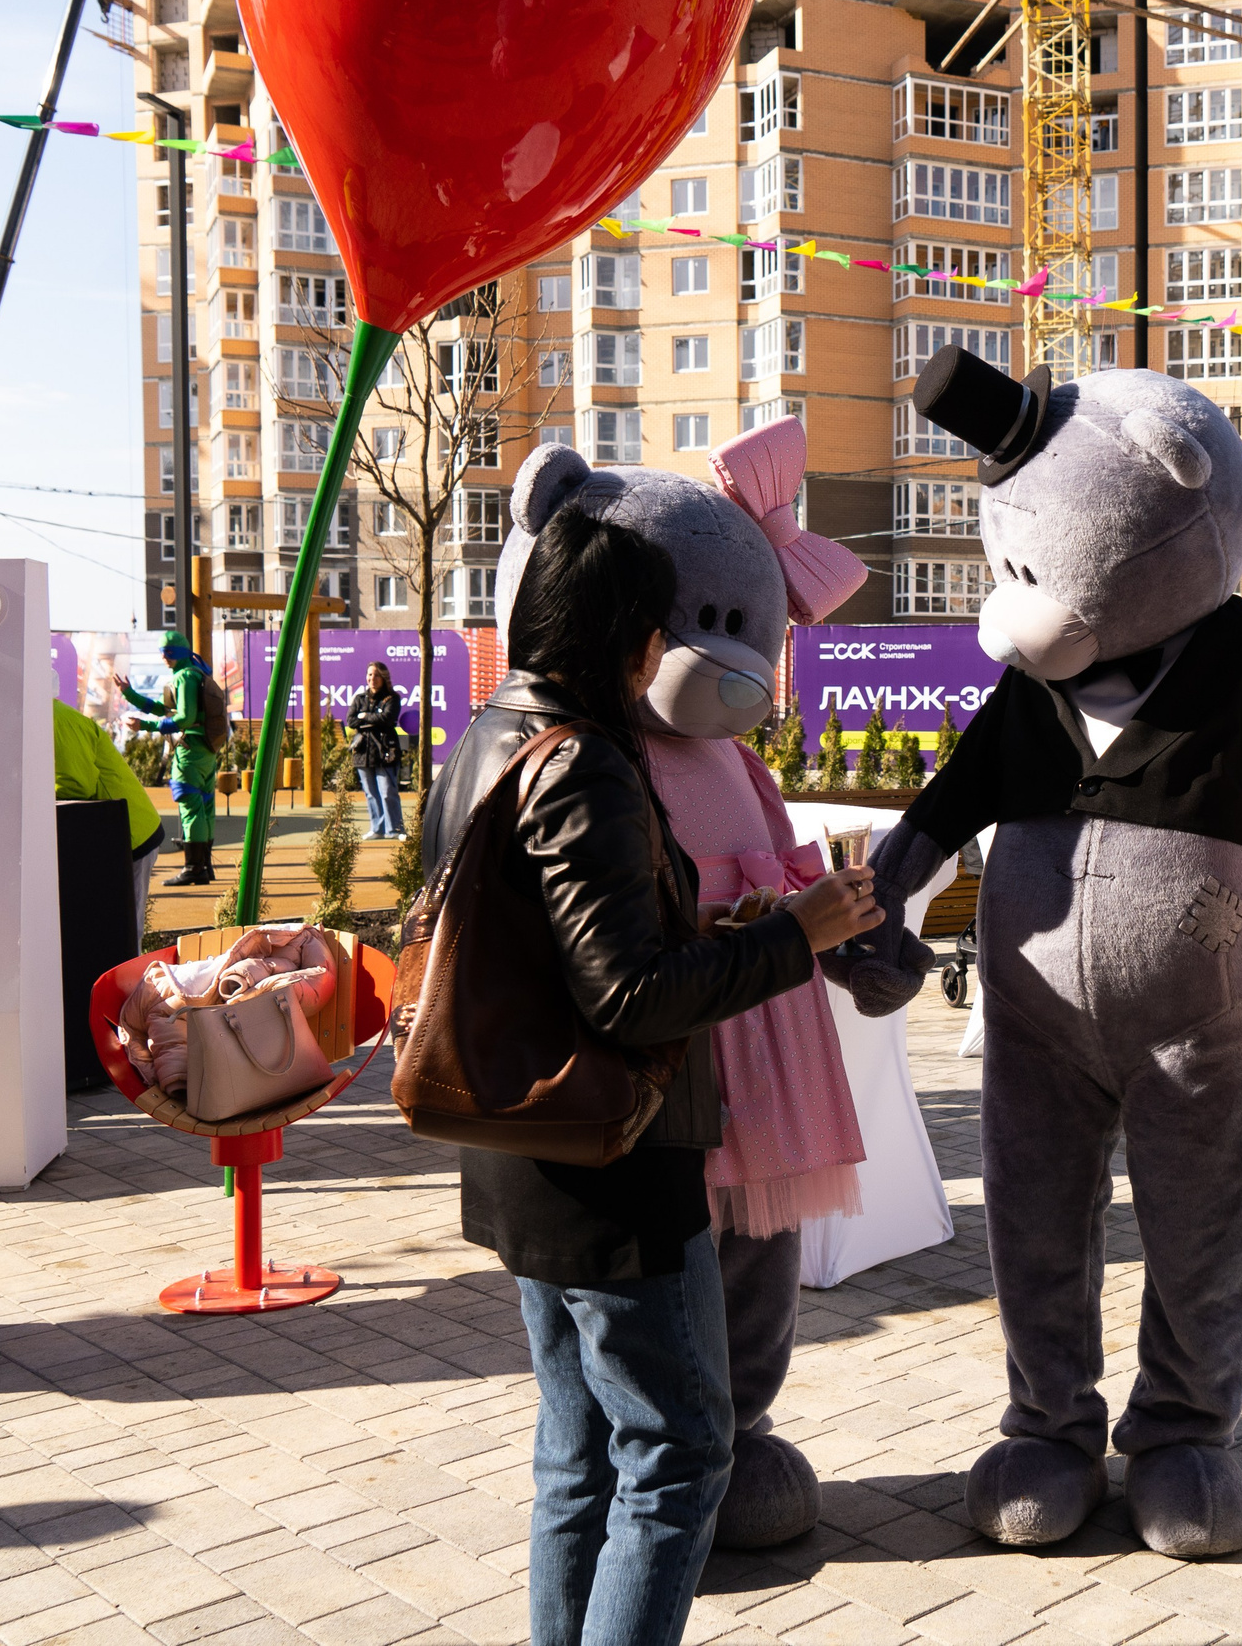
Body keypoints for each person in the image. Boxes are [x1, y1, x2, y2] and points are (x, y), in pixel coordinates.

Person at [420, 510, 883, 1646]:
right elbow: (629, 995)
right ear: (626, 636)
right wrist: (795, 937)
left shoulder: (485, 734)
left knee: (576, 1453)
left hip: (520, 1142)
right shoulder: (583, 763)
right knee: (680, 1454)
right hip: (610, 1158)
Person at [53, 698, 165, 947]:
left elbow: (76, 784)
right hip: (114, 834)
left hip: (130, 835)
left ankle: (128, 984)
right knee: (113, 932)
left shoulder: (58, 720)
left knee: (123, 936)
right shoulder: (53, 716)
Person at [121, 635, 218, 885]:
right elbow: (165, 709)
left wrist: (146, 725)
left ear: (176, 653)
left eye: (167, 652)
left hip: (190, 752)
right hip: (206, 750)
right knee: (205, 807)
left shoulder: (184, 677)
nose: (163, 656)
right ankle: (204, 866)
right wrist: (130, 694)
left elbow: (184, 717)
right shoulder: (196, 674)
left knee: (191, 807)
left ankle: (194, 868)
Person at [347, 661, 407, 839]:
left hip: (385, 750)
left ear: (384, 677)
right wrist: (372, 719)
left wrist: (364, 716)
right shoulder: (359, 698)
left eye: (376, 675)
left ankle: (395, 829)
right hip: (363, 752)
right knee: (371, 793)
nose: (372, 679)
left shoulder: (392, 698)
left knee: (388, 791)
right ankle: (377, 828)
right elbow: (351, 720)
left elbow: (388, 719)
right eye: (370, 674)